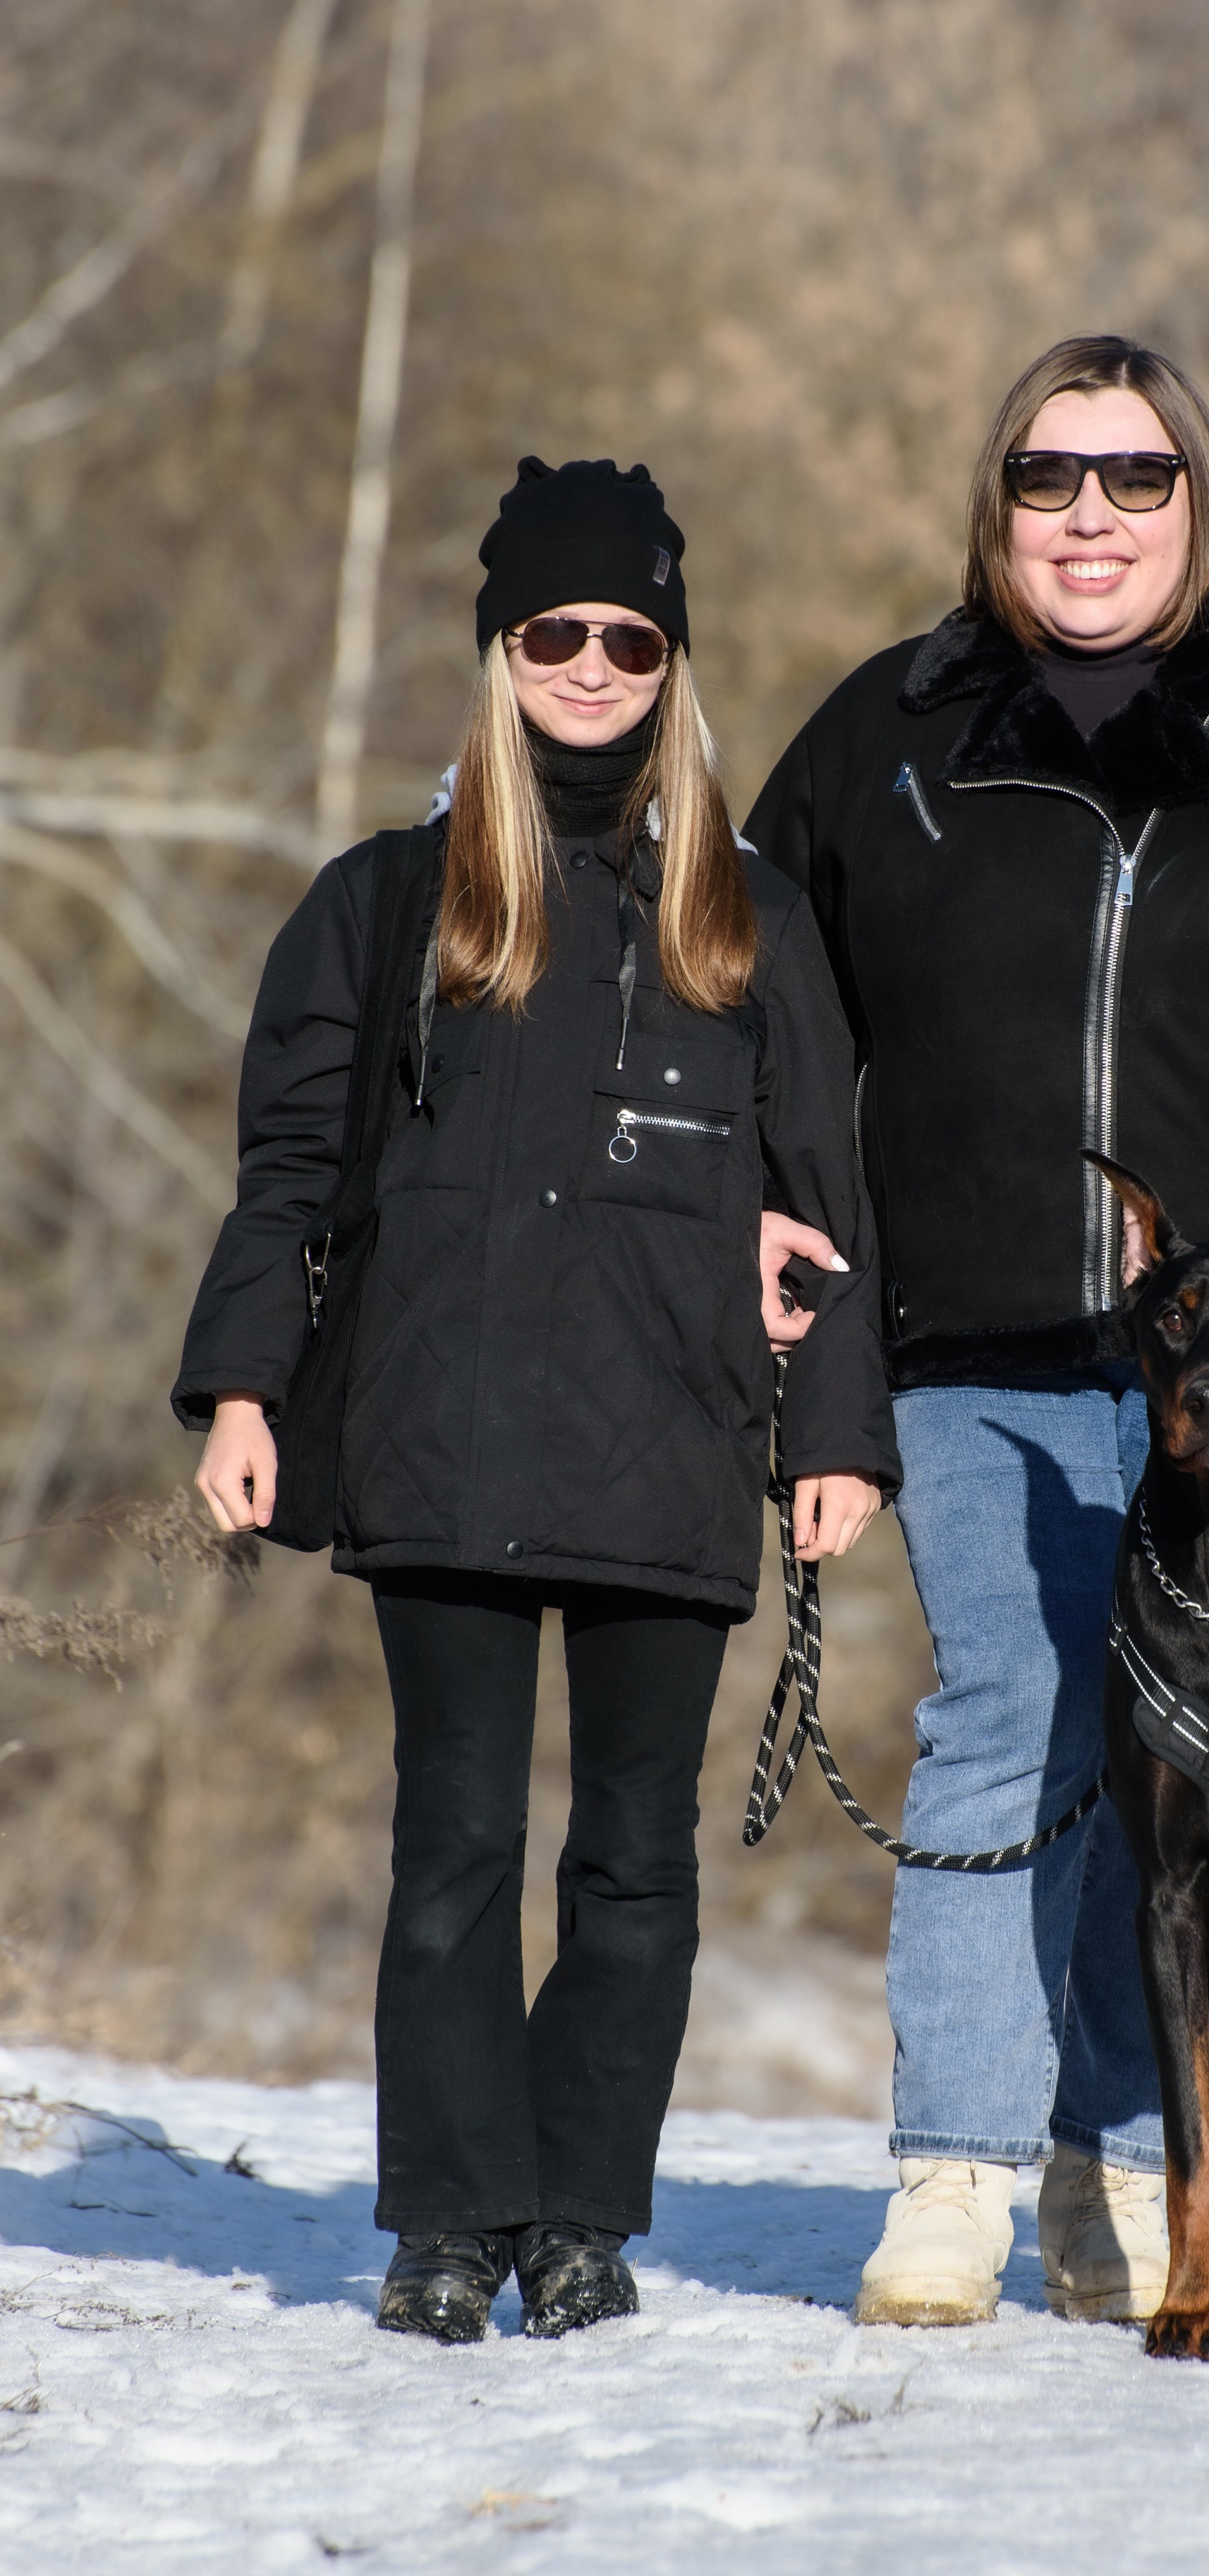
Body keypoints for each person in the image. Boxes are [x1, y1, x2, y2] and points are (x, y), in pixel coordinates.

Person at [745, 336, 1209, 2326]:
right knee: (1017, 1709)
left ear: (1202, 494)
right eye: (1049, 476)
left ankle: (1117, 2136)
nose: (1090, 515)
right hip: (964, 1331)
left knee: (1181, 1768)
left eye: (1136, 477)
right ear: (996, 504)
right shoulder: (887, 733)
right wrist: (767, 1220)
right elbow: (759, 998)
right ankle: (957, 2171)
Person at [176, 456, 899, 2345]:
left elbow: (829, 1199)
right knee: (455, 1848)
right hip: (447, 1433)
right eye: (554, 631)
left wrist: (835, 1434)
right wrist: (242, 1386)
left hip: (670, 1434)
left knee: (632, 1859)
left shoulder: (747, 918)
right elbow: (288, 1176)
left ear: (673, 660)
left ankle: (579, 2216)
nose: (591, 663)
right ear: (500, 648)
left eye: (630, 636)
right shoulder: (387, 902)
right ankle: (445, 2220)